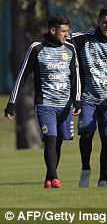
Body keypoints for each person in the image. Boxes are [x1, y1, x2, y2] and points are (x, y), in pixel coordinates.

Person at [5, 15, 81, 189]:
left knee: (59, 140)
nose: (67, 35)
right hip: (45, 104)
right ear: (53, 30)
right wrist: (11, 103)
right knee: (50, 139)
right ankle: (55, 178)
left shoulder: (70, 49)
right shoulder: (36, 48)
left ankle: (49, 177)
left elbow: (75, 77)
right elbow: (22, 76)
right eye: (63, 31)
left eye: (68, 31)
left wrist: (77, 101)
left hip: (65, 105)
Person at [72, 9, 107, 188]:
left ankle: (103, 178)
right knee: (87, 135)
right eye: (104, 22)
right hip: (87, 97)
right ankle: (85, 169)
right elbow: (61, 39)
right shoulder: (82, 39)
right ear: (98, 21)